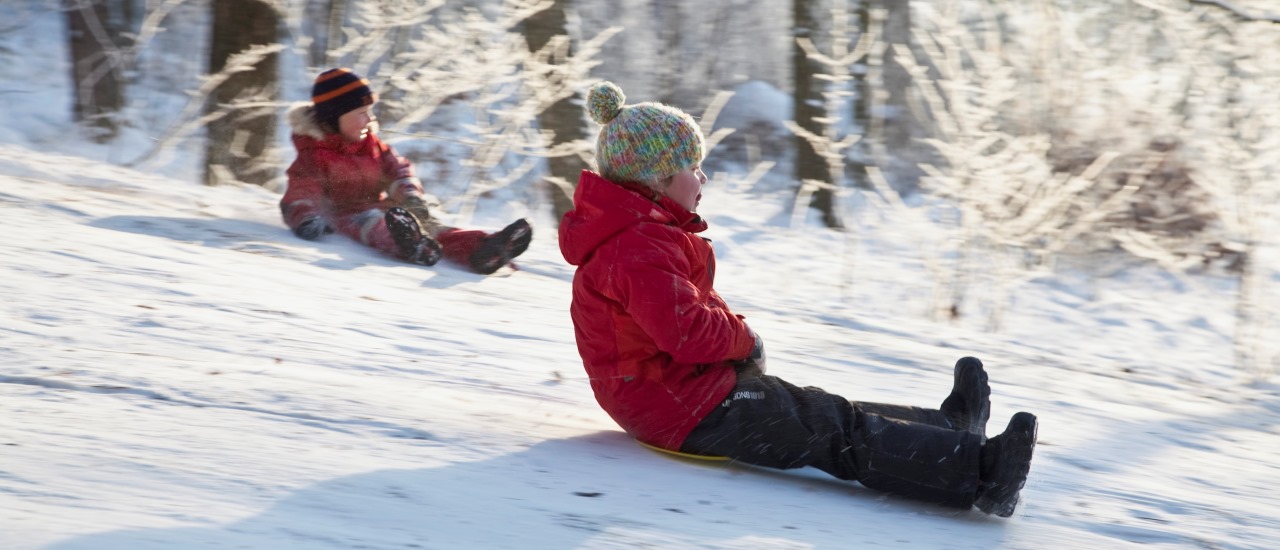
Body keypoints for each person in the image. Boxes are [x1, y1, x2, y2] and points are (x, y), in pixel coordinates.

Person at [558, 81, 1038, 517]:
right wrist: (744, 341)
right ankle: (980, 473)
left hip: (684, 392)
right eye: (693, 167)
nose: (703, 178)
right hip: (678, 407)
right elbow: (686, 331)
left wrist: (738, 343)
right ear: (658, 179)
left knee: (822, 409)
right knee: (829, 429)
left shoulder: (647, 237)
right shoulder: (635, 248)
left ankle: (948, 428)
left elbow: (691, 311)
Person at [281, 68, 531, 274]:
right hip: (347, 215)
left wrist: (411, 195)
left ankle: (483, 249)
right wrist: (306, 217)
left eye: (369, 112)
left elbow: (398, 169)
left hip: (391, 210)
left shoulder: (373, 145)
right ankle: (410, 246)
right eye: (360, 113)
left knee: (433, 226)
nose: (369, 119)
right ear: (334, 117)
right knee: (373, 225)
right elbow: (300, 191)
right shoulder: (314, 155)